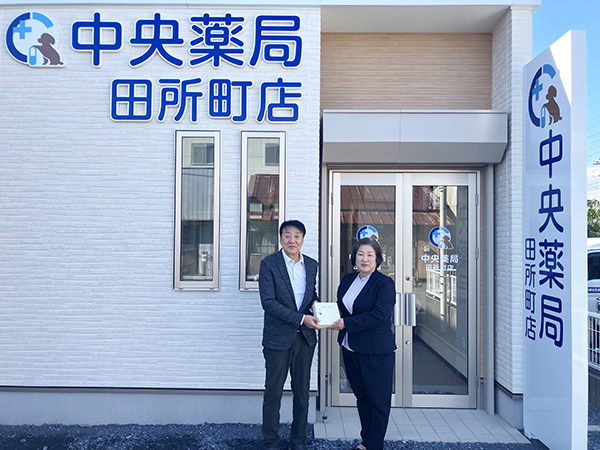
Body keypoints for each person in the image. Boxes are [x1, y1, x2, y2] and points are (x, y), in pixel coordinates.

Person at [259, 220, 323, 450]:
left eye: (297, 236)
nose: (292, 240)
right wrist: (301, 318)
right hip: (277, 338)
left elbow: (310, 294)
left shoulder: (312, 265)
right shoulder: (269, 264)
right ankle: (271, 441)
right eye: (287, 235)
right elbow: (268, 302)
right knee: (273, 392)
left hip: (305, 338)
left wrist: (317, 308)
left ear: (303, 240)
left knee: (302, 392)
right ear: (280, 239)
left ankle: (298, 440)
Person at [330, 238, 396, 450]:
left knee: (378, 400)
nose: (365, 259)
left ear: (377, 258)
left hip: (376, 350)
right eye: (360, 254)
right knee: (362, 397)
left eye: (370, 255)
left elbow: (379, 314)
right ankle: (366, 441)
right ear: (354, 258)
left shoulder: (384, 283)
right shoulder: (348, 280)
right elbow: (342, 308)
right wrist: (323, 314)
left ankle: (374, 444)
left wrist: (346, 323)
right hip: (350, 347)